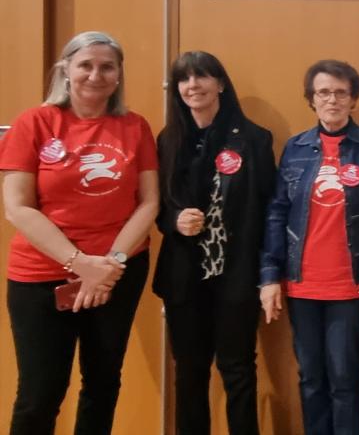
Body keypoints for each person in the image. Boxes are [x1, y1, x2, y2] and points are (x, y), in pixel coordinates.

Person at [0, 31, 159, 434]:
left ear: (119, 74)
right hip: (41, 275)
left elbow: (149, 202)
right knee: (40, 393)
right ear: (66, 70)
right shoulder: (34, 123)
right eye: (85, 64)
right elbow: (17, 207)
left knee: (103, 384)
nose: (96, 74)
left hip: (116, 272)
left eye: (107, 66)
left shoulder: (134, 126)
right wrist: (79, 263)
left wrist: (110, 265)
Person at [259, 59, 359, 435]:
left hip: (352, 284)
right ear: (311, 100)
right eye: (323, 92)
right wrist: (270, 275)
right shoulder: (296, 148)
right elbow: (277, 213)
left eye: (340, 93)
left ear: (353, 100)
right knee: (311, 376)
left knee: (345, 376)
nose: (332, 100)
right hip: (301, 283)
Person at [153, 51, 276, 435]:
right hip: (183, 277)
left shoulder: (254, 138)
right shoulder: (168, 139)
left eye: (202, 76)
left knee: (238, 371)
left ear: (220, 83)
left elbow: (269, 207)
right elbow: (154, 207)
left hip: (235, 274)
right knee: (189, 373)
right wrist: (174, 221)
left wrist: (269, 271)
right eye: (184, 79)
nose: (193, 86)